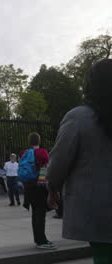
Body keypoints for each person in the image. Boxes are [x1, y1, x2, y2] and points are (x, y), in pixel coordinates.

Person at [47, 59, 112, 263]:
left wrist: (52, 187)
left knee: (103, 255)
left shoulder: (79, 118)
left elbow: (59, 161)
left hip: (98, 208)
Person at [20, 133, 56, 250]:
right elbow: (46, 167)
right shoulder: (42, 152)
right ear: (39, 141)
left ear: (29, 141)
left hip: (28, 188)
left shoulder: (24, 153)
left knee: (35, 214)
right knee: (41, 214)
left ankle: (38, 239)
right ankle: (42, 241)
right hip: (39, 187)